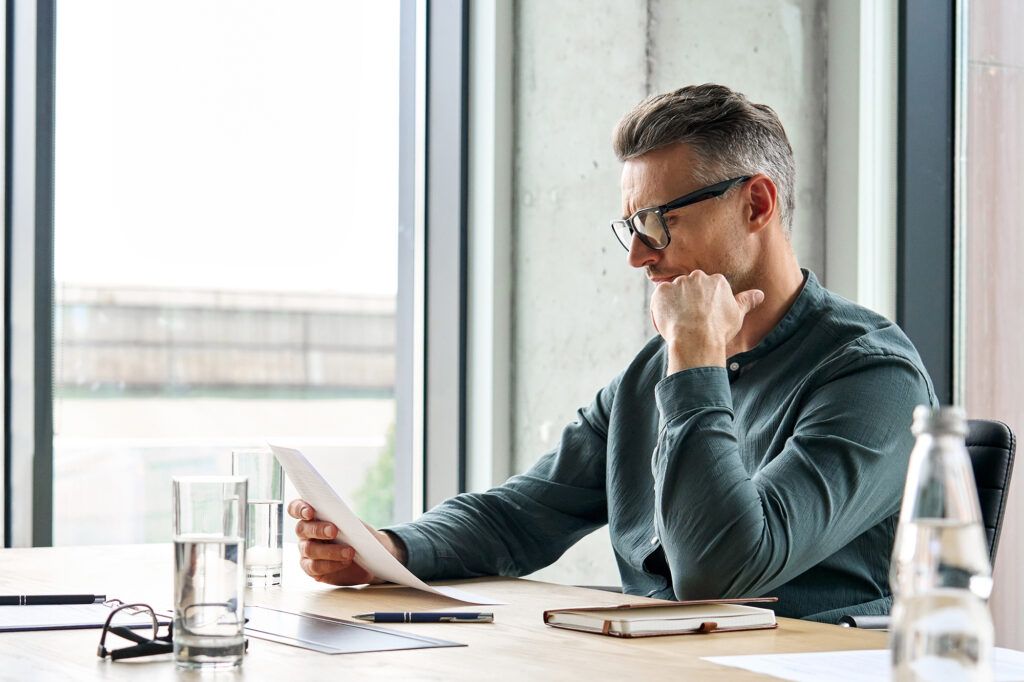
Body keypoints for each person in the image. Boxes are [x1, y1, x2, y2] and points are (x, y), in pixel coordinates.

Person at [288, 83, 935, 622]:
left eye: (659, 221)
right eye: (631, 225)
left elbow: (720, 571)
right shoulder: (650, 376)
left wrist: (695, 358)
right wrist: (387, 547)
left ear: (756, 204)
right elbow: (522, 515)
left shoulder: (871, 377)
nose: (637, 254)